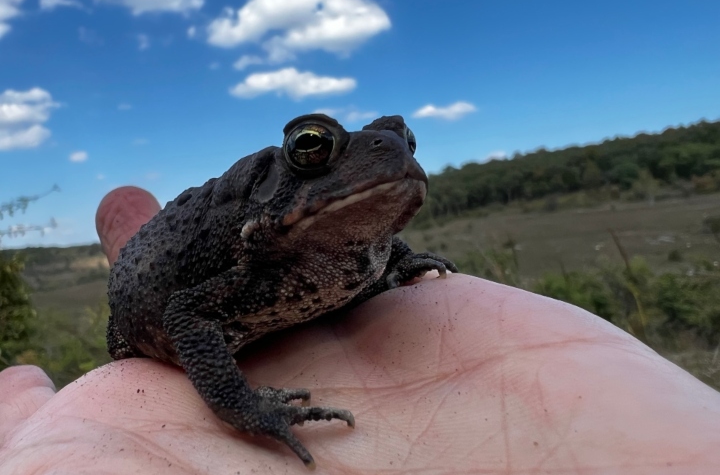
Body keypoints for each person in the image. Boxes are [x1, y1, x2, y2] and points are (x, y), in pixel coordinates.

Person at [1, 186, 720, 474]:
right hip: (146, 325)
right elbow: (186, 312)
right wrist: (246, 407)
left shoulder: (359, 244)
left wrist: (395, 260)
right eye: (318, 149)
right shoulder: (250, 251)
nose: (386, 159)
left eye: (400, 143)